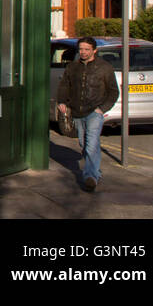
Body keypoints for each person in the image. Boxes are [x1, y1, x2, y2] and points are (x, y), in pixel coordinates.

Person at [56, 36, 119, 192]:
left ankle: (90, 176)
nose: (83, 52)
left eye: (87, 49)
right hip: (78, 111)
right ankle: (96, 171)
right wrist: (62, 101)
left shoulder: (104, 67)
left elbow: (113, 91)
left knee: (91, 143)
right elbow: (65, 85)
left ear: (94, 50)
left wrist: (102, 109)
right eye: (81, 49)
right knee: (84, 144)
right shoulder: (72, 67)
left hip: (95, 111)